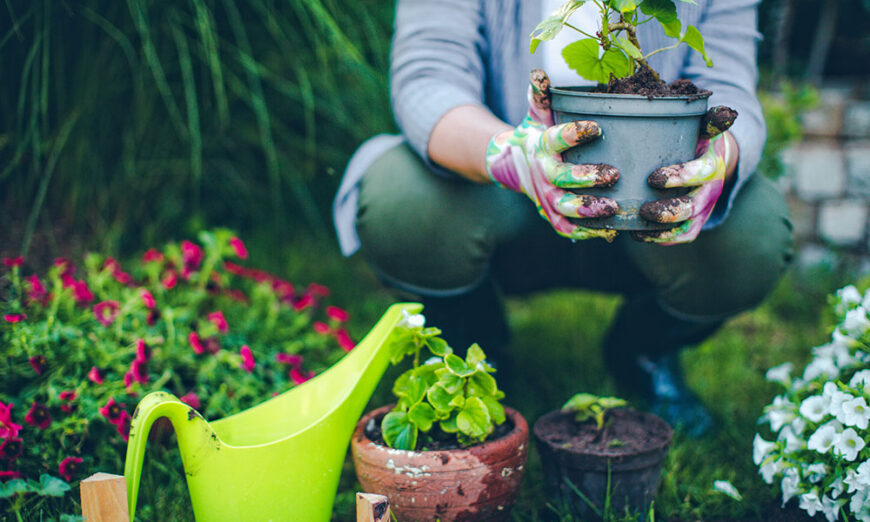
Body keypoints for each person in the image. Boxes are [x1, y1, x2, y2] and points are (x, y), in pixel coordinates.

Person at [332, 0, 793, 435]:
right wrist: (511, 156)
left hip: (648, 192)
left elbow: (729, 84)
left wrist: (718, 156)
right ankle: (472, 336)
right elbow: (428, 79)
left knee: (752, 235)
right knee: (402, 201)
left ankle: (644, 347)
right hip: (496, 191)